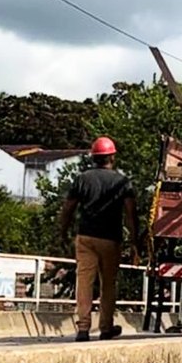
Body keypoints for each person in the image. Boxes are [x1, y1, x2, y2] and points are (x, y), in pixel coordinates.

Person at [60, 136, 138, 342]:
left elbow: (68, 208)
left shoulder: (82, 179)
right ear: (112, 157)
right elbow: (131, 213)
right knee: (108, 284)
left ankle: (83, 329)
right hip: (110, 239)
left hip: (85, 237)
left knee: (84, 281)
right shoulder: (122, 182)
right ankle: (105, 328)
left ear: (93, 157)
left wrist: (62, 232)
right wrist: (135, 240)